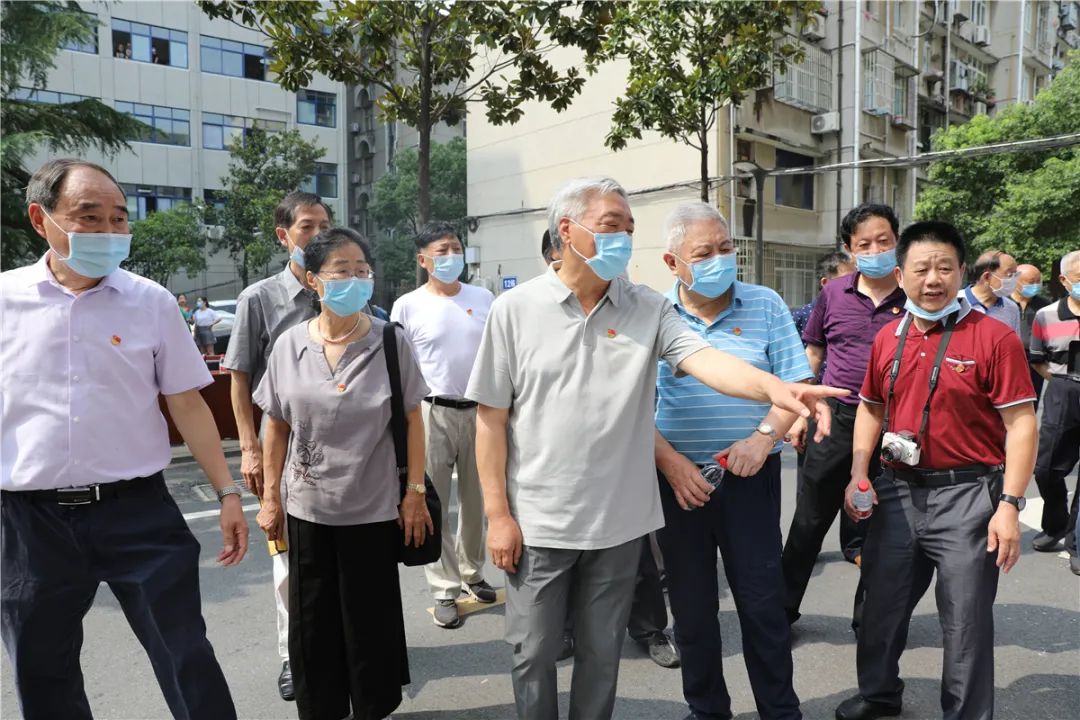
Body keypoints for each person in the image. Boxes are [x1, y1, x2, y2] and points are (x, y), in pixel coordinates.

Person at [464, 176, 846, 720]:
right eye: (610, 226)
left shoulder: (646, 308)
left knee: (602, 655)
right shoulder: (516, 309)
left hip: (621, 519)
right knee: (534, 652)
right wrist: (497, 514)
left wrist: (776, 390)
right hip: (541, 517)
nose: (622, 238)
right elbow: (490, 422)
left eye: (628, 228)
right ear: (567, 230)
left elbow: (705, 359)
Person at [0, 159, 248, 719]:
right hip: (29, 523)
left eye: (118, 219)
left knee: (186, 655)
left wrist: (228, 491)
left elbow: (186, 401)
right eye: (90, 218)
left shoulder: (150, 301)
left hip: (137, 511)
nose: (109, 233)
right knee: (42, 670)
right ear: (42, 219)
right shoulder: (4, 300)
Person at [834, 220, 1037, 720]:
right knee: (881, 608)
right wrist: (860, 471)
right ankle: (879, 695)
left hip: (968, 495)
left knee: (965, 622)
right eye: (921, 269)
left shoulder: (993, 338)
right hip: (896, 492)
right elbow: (870, 408)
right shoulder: (887, 338)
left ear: (962, 272)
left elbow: (1021, 423)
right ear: (901, 276)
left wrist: (1010, 504)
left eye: (944, 267)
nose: (933, 279)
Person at [254, 228, 432, 720]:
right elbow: (275, 424)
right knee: (312, 623)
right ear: (314, 280)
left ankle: (373, 708)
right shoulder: (290, 345)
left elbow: (415, 419)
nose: (355, 279)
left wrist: (414, 491)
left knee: (367, 621)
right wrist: (270, 499)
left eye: (362, 270)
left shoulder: (390, 342)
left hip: (373, 508)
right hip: (307, 509)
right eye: (342, 271)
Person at [653, 202, 813, 720]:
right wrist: (672, 463)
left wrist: (764, 438)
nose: (721, 259)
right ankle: (707, 710)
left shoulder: (765, 304)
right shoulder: (652, 317)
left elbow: (796, 387)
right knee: (693, 611)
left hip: (750, 478)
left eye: (726, 249)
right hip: (678, 483)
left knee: (762, 606)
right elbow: (629, 409)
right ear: (672, 262)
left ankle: (779, 711)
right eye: (705, 253)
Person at [540, 227, 679, 669]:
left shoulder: (638, 308)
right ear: (555, 257)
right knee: (562, 568)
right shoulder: (530, 313)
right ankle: (565, 633)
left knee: (639, 559)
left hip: (621, 472)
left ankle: (651, 630)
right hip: (560, 481)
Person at [222, 190, 331, 701]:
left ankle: (338, 645)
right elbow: (239, 380)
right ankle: (294, 654)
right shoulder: (259, 298)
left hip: (342, 451)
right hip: (281, 448)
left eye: (324, 225)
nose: (317, 235)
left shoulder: (341, 289)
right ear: (283, 235)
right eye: (307, 226)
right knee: (287, 556)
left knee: (337, 552)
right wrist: (248, 449)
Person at [783, 204, 908, 633]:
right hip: (834, 417)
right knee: (808, 521)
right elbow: (813, 352)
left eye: (884, 241)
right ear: (850, 250)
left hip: (896, 427)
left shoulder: (914, 295)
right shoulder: (834, 293)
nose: (875, 250)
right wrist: (800, 411)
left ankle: (868, 620)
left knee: (883, 527)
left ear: (897, 241)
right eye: (864, 244)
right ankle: (782, 611)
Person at [390, 221, 497, 628]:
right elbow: (401, 367)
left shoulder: (484, 298)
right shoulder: (408, 305)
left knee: (478, 500)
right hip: (430, 412)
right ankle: (444, 588)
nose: (451, 256)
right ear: (423, 260)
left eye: (455, 248)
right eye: (441, 251)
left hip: (481, 411)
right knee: (434, 503)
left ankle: (473, 572)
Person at [1028, 250, 1080, 559]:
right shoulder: (1045, 315)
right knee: (1046, 469)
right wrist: (1064, 381)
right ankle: (1056, 525)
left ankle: (1076, 543)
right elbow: (1037, 360)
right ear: (1064, 280)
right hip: (1062, 392)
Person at [792, 251, 855, 492]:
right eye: (848, 278)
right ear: (826, 284)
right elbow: (798, 366)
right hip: (816, 406)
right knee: (813, 491)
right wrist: (799, 415)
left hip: (852, 411)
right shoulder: (803, 316)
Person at [1011, 263, 1051, 410]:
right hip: (1007, 361)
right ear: (1016, 281)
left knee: (1030, 405)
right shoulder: (1002, 303)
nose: (1035, 285)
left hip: (1035, 362)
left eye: (1037, 281)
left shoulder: (1045, 306)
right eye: (1030, 282)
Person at [962, 249, 1022, 334]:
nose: (1014, 279)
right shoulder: (954, 303)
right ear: (987, 277)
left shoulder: (1011, 308)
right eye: (1009, 275)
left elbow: (1013, 345)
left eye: (1015, 274)